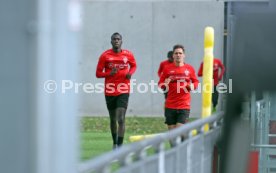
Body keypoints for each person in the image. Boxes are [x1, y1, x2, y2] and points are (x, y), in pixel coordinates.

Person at [96, 32, 137, 149]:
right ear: (111, 41)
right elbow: (98, 73)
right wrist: (109, 73)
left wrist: (130, 73)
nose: (116, 41)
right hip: (110, 90)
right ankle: (114, 142)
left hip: (123, 89)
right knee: (113, 119)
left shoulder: (128, 54)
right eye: (114, 39)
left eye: (118, 39)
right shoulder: (105, 56)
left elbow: (134, 66)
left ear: (121, 41)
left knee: (121, 118)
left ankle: (120, 146)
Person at [158, 44, 199, 138]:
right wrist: (165, 84)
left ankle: (183, 150)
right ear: (173, 55)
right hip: (170, 106)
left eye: (180, 53)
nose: (178, 55)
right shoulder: (167, 68)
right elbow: (160, 84)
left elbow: (196, 82)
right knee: (172, 137)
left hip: (184, 106)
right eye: (176, 53)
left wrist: (191, 86)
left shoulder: (189, 69)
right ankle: (175, 152)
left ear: (184, 55)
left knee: (180, 132)